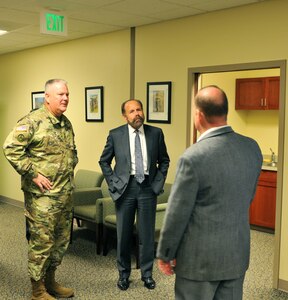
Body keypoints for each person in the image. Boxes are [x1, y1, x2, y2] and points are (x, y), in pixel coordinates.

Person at [157, 85, 262, 300]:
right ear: (225, 112)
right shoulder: (252, 147)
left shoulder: (193, 157)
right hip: (235, 255)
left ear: (199, 115)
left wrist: (166, 252)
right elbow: (247, 197)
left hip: (199, 262)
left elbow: (178, 213)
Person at [3, 79, 78, 300]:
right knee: (42, 243)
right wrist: (33, 174)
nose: (65, 98)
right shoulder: (32, 121)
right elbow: (11, 148)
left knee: (60, 242)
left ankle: (50, 282)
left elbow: (70, 153)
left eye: (67, 94)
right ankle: (37, 291)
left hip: (64, 195)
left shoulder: (65, 123)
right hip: (42, 199)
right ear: (47, 97)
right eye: (60, 95)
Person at [99, 99, 170, 291]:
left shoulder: (156, 133)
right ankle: (123, 275)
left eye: (139, 109)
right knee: (123, 235)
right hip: (125, 190)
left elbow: (164, 161)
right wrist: (114, 183)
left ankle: (147, 274)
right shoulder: (116, 135)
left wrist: (157, 184)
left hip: (148, 189)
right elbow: (104, 161)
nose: (137, 113)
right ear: (125, 116)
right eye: (131, 111)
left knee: (146, 235)